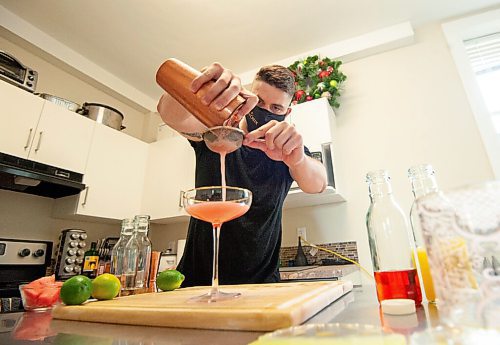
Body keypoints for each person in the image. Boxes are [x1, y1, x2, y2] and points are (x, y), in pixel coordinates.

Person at [157, 62, 327, 287]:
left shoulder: (287, 150)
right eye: (261, 101)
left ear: (287, 112)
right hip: (198, 282)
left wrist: (298, 160)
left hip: (262, 285)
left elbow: (318, 184)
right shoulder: (218, 129)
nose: (266, 111)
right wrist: (199, 87)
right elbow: (171, 115)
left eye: (276, 108)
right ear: (249, 96)